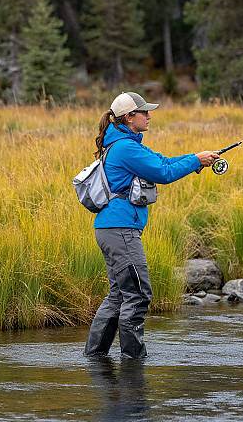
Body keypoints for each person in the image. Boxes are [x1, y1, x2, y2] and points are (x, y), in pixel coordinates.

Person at [84, 92, 219, 359]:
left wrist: (196, 157)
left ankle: (95, 356)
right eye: (144, 112)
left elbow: (164, 162)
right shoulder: (125, 148)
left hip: (113, 230)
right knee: (137, 294)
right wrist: (195, 161)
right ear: (129, 117)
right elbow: (163, 174)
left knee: (119, 295)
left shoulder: (127, 143)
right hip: (120, 231)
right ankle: (133, 359)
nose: (149, 116)